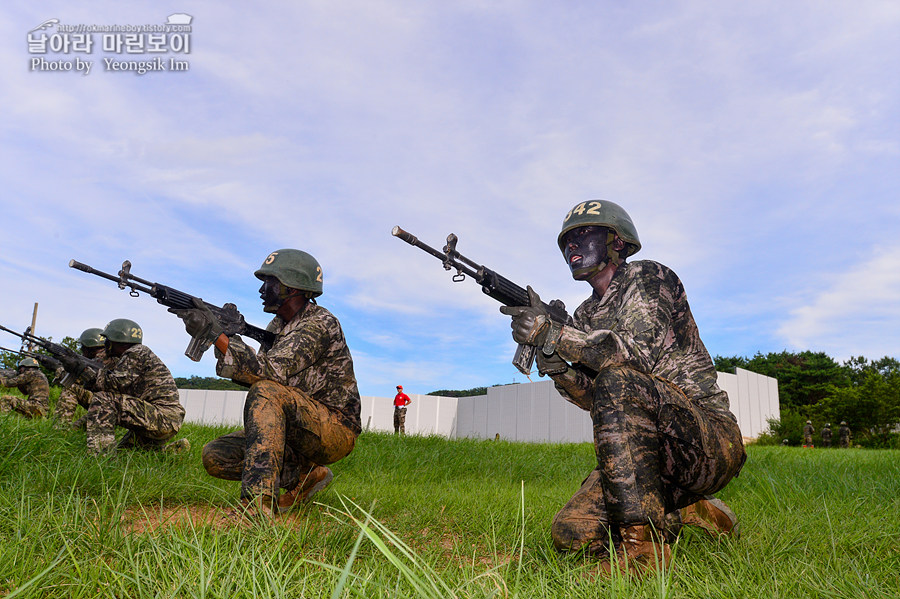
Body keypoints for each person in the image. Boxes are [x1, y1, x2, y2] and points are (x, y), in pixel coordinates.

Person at [500, 200, 746, 574]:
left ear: (617, 241)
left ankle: (642, 554)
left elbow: (629, 358)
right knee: (571, 532)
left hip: (708, 440)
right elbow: (597, 396)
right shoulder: (585, 316)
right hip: (648, 456)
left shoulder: (649, 278)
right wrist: (555, 366)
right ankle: (684, 508)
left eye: (583, 233)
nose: (571, 246)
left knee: (619, 377)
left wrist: (554, 333)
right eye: (566, 240)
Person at [172, 249, 361, 518]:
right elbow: (256, 378)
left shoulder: (319, 323)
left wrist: (217, 335)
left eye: (269, 282)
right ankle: (305, 475)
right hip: (297, 425)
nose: (262, 289)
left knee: (267, 391)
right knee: (215, 455)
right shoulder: (277, 326)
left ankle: (257, 508)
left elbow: (269, 376)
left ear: (292, 287)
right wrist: (223, 336)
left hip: (335, 430)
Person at [61, 318, 188, 456]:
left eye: (108, 340)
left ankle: (101, 460)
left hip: (162, 417)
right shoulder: (133, 355)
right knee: (127, 454)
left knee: (104, 400)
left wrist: (83, 371)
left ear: (118, 341)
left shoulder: (136, 352)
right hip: (161, 418)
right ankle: (171, 452)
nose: (105, 344)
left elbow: (114, 385)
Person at [50, 328, 108, 427]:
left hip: (107, 405)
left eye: (82, 346)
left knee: (71, 388)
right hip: (108, 405)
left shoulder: (101, 360)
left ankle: (59, 427)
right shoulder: (110, 356)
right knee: (76, 428)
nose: (81, 349)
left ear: (88, 347)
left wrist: (59, 368)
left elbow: (79, 380)